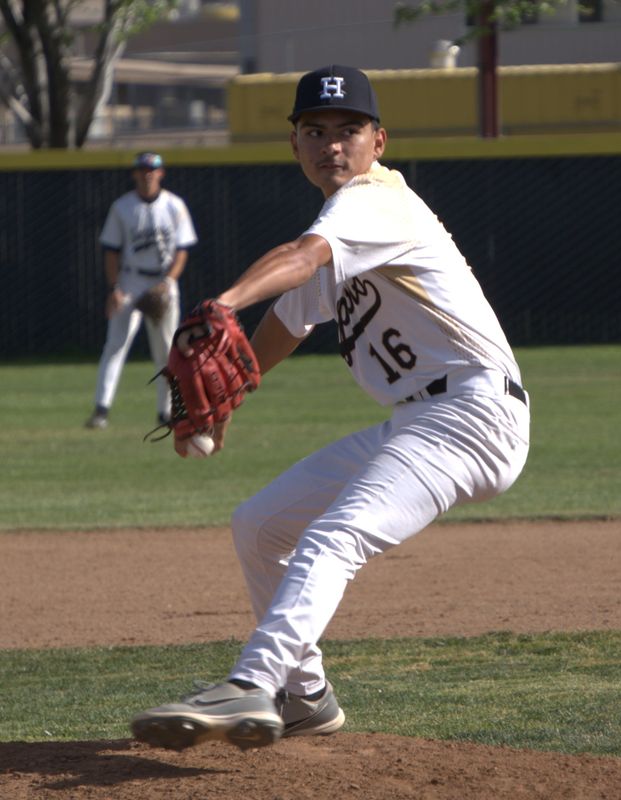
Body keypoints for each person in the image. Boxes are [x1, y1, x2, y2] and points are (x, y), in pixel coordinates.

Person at [131, 66, 530, 751]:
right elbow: (291, 319)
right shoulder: (345, 223)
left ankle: (254, 681)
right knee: (260, 525)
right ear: (294, 145)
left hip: (473, 415)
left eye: (349, 131)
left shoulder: (374, 202)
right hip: (419, 420)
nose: (332, 145)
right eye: (315, 131)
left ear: (379, 141)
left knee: (332, 536)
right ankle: (306, 695)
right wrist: (231, 396)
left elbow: (301, 256)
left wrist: (222, 304)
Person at [85, 151, 198, 430]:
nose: (147, 174)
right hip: (131, 280)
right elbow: (111, 251)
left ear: (161, 173)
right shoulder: (122, 207)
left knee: (166, 350)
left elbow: (182, 251)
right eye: (142, 169)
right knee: (115, 346)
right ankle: (101, 409)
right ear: (135, 173)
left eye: (152, 169)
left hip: (162, 280)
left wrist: (168, 282)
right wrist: (115, 289)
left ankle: (166, 412)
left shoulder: (175, 206)